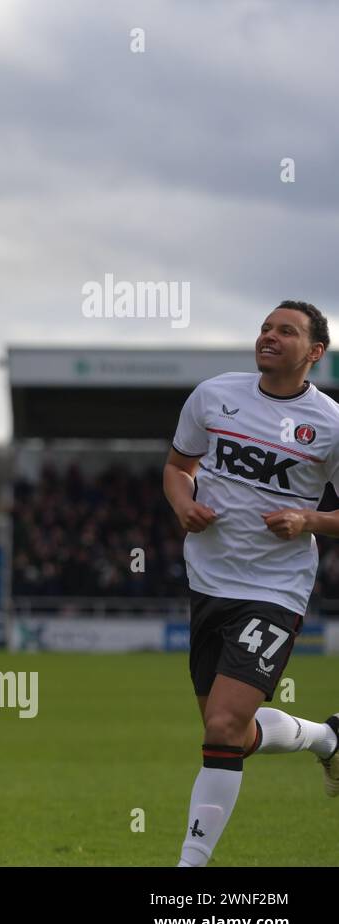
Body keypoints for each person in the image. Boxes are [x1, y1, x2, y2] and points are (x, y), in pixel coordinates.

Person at [163, 300, 339, 866]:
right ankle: (328, 739)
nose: (269, 336)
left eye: (285, 331)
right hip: (208, 581)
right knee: (230, 735)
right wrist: (182, 502)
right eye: (265, 327)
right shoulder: (215, 395)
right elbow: (176, 466)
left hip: (274, 588)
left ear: (314, 352)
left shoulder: (331, 424)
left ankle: (188, 872)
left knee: (221, 724)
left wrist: (308, 520)